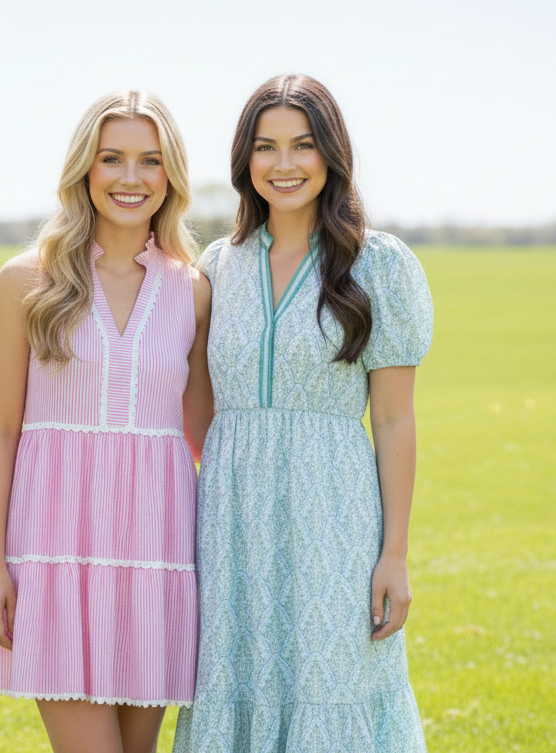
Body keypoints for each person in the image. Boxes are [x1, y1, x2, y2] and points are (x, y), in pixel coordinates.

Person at [173, 74, 432, 752]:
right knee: (236, 682)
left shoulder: (380, 263)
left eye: (302, 145)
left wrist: (394, 553)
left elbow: (396, 421)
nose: (283, 164)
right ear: (244, 160)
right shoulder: (214, 266)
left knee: (331, 681)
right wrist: (235, 472)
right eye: (265, 147)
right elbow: (198, 400)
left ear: (331, 155)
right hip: (230, 523)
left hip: (334, 516)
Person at [0, 90, 213, 753]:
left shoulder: (191, 286)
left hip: (158, 555)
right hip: (56, 553)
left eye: (149, 161)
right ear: (85, 168)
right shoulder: (25, 280)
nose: (131, 178)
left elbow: (207, 435)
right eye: (113, 159)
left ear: (171, 175)